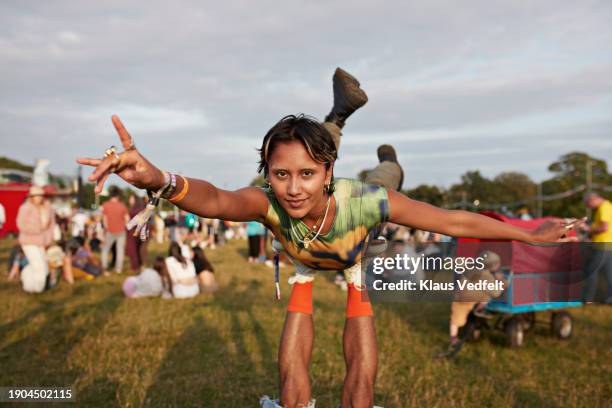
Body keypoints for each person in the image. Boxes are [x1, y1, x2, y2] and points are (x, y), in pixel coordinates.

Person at [77, 72, 581, 408]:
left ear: (329, 173)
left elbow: (454, 222)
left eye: (305, 175)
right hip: (304, 258)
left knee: (385, 178)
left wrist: (525, 230)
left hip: (357, 241)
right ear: (266, 173)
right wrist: (157, 178)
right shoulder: (269, 199)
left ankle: (362, 137)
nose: (291, 189)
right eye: (279, 175)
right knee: (292, 382)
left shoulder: (361, 198)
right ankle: (336, 115)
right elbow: (215, 200)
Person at [442, 250, 506, 358]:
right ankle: (481, 307)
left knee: (455, 320)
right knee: (487, 293)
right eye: (496, 264)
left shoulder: (470, 269)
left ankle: (453, 338)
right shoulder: (486, 276)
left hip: (460, 298)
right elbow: (496, 293)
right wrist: (502, 281)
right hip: (469, 300)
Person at [16, 185, 55, 293]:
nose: (39, 198)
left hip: (42, 241)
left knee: (43, 264)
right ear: (31, 197)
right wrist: (37, 229)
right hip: (28, 241)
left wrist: (48, 238)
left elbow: (51, 225)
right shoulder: (25, 208)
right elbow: (20, 224)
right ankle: (36, 289)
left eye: (40, 195)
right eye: (36, 196)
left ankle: (30, 283)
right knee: (39, 266)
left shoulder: (47, 208)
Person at [582, 192, 612, 303]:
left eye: (588, 204)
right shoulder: (608, 206)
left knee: (591, 271)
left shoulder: (604, 208)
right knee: (609, 274)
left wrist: (588, 229)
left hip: (603, 245)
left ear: (592, 199)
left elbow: (604, 227)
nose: (589, 207)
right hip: (608, 244)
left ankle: (587, 299)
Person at [101, 186, 129, 274]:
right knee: (120, 250)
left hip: (110, 231)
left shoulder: (105, 205)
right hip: (121, 231)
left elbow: (104, 219)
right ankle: (118, 269)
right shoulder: (122, 205)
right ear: (118, 196)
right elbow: (127, 219)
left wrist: (106, 229)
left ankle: (104, 266)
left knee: (105, 249)